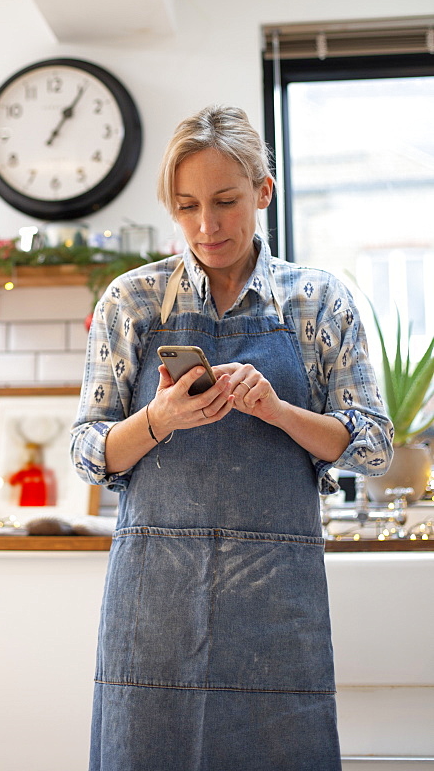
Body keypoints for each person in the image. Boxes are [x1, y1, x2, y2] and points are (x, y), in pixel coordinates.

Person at [70, 105, 393, 771]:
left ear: (263, 193)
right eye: (186, 206)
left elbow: (373, 446)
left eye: (225, 201)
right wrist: (159, 420)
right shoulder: (131, 302)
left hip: (275, 609)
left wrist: (278, 412)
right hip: (154, 610)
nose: (206, 226)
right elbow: (89, 452)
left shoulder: (320, 302)